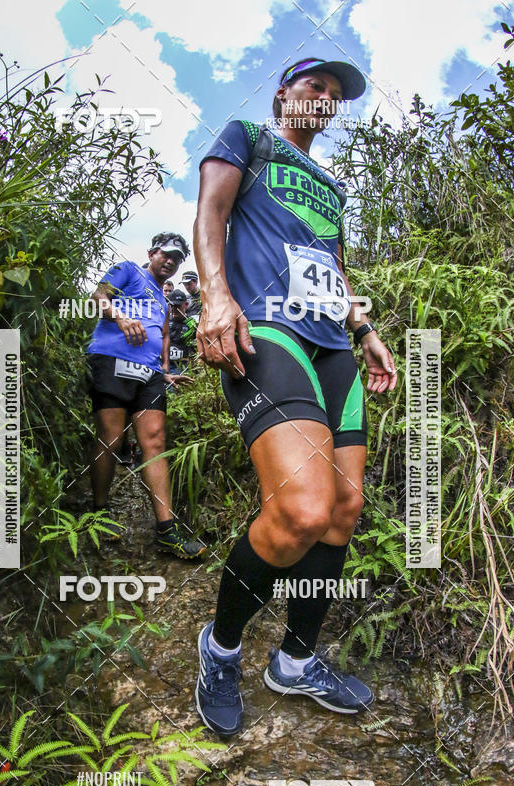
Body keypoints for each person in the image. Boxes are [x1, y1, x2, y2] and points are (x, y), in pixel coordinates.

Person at [193, 58, 398, 735]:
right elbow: (212, 211)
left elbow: (333, 264)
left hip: (331, 347)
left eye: (336, 96)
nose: (326, 99)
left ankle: (296, 661)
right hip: (267, 331)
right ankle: (220, 648)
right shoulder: (247, 138)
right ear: (285, 93)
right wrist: (215, 298)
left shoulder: (331, 186)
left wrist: (364, 330)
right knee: (304, 508)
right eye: (315, 86)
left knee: (343, 509)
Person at [86, 233, 207, 560]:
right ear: (152, 252)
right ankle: (99, 512)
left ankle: (167, 531)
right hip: (111, 360)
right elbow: (97, 296)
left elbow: (162, 334)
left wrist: (164, 372)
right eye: (167, 254)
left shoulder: (162, 299)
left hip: (150, 373)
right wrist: (121, 317)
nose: (171, 261)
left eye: (178, 258)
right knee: (111, 436)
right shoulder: (127, 270)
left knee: (154, 441)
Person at [167, 288, 196, 374]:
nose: (174, 309)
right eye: (171, 306)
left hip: (183, 365)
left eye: (177, 306)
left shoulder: (192, 324)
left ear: (186, 305)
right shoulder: (164, 321)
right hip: (164, 364)